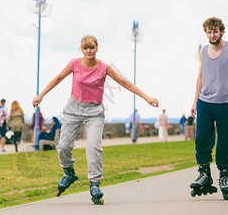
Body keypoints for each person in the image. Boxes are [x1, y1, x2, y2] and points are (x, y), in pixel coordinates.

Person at [32, 35, 159, 205]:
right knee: (63, 146)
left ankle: (94, 184)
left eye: (92, 47)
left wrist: (146, 97)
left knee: (93, 147)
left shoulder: (104, 68)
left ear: (97, 48)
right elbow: (58, 78)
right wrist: (41, 95)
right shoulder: (74, 64)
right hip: (73, 109)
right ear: (81, 50)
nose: (89, 51)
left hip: (94, 111)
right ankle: (69, 172)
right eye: (85, 48)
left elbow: (125, 83)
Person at [190, 17, 228, 200]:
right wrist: (195, 101)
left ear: (221, 31)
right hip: (205, 101)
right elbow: (201, 76)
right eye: (209, 32)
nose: (212, 35)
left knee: (226, 141)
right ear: (206, 33)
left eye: (215, 31)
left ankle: (224, 175)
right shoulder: (203, 51)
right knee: (201, 137)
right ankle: (204, 173)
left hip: (227, 102)